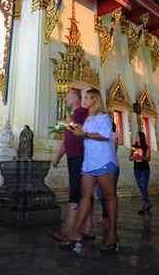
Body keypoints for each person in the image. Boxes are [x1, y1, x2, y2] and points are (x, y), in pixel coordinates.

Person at [60, 88, 119, 254]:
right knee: (84, 196)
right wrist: (71, 123)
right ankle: (76, 234)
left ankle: (112, 234)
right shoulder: (88, 119)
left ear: (95, 100)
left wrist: (84, 133)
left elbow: (105, 135)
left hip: (104, 160)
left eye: (87, 97)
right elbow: (79, 131)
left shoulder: (103, 117)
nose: (84, 100)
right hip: (89, 162)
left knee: (109, 197)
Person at [51, 89, 94, 241]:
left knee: (77, 190)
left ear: (75, 98)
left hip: (81, 155)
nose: (66, 98)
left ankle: (70, 228)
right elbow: (66, 140)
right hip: (72, 156)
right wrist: (57, 156)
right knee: (83, 191)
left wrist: (72, 122)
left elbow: (84, 131)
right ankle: (88, 227)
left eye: (68, 95)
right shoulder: (71, 116)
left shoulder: (82, 112)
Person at [96, 121, 119, 226]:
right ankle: (106, 214)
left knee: (110, 193)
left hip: (110, 166)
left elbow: (113, 151)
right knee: (100, 193)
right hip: (99, 166)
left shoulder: (113, 135)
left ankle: (110, 218)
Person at [130, 131, 152, 214]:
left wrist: (140, 156)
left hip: (144, 169)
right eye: (136, 136)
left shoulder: (146, 147)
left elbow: (148, 159)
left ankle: (143, 205)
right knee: (140, 187)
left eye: (138, 136)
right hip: (136, 168)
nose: (137, 138)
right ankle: (148, 203)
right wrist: (133, 157)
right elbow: (130, 158)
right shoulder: (133, 147)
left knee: (144, 186)